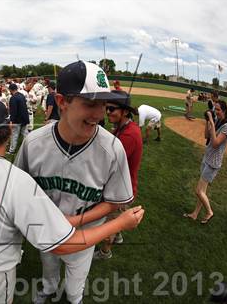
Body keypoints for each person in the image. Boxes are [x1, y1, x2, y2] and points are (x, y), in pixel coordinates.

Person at [0, 99, 144, 304]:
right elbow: (62, 245)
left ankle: (70, 297)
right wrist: (119, 224)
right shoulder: (16, 179)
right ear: (10, 129)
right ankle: (60, 293)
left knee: (67, 279)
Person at [15, 61, 136, 304]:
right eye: (90, 104)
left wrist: (73, 221)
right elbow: (19, 189)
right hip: (46, 229)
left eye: (103, 104)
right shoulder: (33, 143)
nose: (100, 114)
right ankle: (48, 289)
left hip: (85, 233)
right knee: (48, 269)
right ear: (62, 102)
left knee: (74, 288)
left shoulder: (112, 149)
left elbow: (113, 202)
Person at [94, 90, 143, 260]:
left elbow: (108, 163)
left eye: (112, 109)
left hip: (120, 188)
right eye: (106, 108)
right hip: (120, 184)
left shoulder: (129, 134)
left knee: (110, 222)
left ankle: (105, 252)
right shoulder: (123, 128)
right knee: (117, 215)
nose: (107, 112)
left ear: (125, 111)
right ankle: (119, 237)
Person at [184, 100, 227, 224]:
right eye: (215, 109)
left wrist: (212, 123)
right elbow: (206, 136)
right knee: (202, 191)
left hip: (213, 163)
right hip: (207, 158)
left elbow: (215, 143)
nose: (216, 111)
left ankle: (209, 211)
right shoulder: (217, 120)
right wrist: (208, 121)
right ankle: (195, 214)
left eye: (218, 109)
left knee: (198, 191)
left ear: (224, 111)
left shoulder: (226, 127)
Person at [7, 83, 30, 154]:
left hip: (17, 120)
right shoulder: (21, 95)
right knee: (25, 134)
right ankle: (30, 147)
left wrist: (11, 121)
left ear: (10, 90)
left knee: (14, 136)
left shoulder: (13, 98)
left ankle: (11, 151)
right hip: (25, 117)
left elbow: (13, 111)